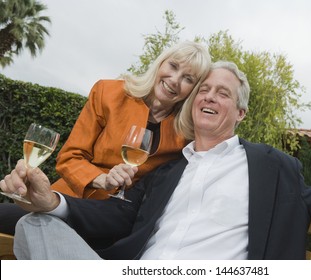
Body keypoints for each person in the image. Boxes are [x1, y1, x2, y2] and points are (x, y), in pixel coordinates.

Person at [1, 61, 311, 260]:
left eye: (223, 93)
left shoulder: (272, 166)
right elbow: (119, 218)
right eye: (203, 90)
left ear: (240, 114)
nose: (208, 97)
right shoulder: (165, 169)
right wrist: (52, 202)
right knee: (36, 225)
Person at [0, 40, 211, 235]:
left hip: (116, 221)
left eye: (188, 79)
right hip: (67, 200)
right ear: (160, 63)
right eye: (173, 66)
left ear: (193, 90)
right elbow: (70, 157)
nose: (175, 80)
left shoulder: (186, 135)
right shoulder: (109, 93)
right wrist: (102, 180)